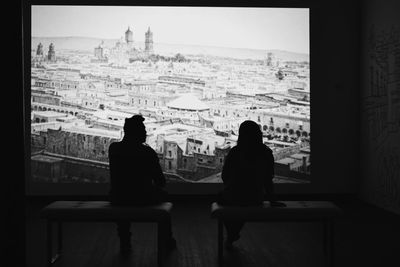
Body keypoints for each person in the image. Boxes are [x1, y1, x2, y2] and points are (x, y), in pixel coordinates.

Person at [108, 115, 176, 255]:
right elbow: (160, 181)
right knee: (165, 198)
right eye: (143, 130)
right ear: (137, 132)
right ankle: (167, 240)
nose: (145, 133)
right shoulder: (147, 152)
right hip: (143, 197)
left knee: (123, 199)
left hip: (118, 197)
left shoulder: (114, 149)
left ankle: (125, 241)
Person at [218, 120, 278, 249]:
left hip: (232, 196)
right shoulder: (266, 152)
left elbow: (225, 176)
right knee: (243, 206)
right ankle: (233, 234)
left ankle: (232, 233)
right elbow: (268, 179)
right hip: (255, 197)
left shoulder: (235, 152)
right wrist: (272, 201)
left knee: (226, 204)